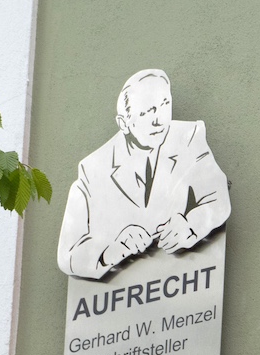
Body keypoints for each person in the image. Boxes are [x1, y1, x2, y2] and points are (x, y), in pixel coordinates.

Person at [57, 69, 231, 279]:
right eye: (146, 112)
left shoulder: (189, 137)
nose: (159, 120)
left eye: (165, 104)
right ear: (124, 123)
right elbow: (68, 254)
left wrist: (190, 225)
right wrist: (113, 248)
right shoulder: (93, 169)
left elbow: (218, 198)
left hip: (182, 281)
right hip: (124, 293)